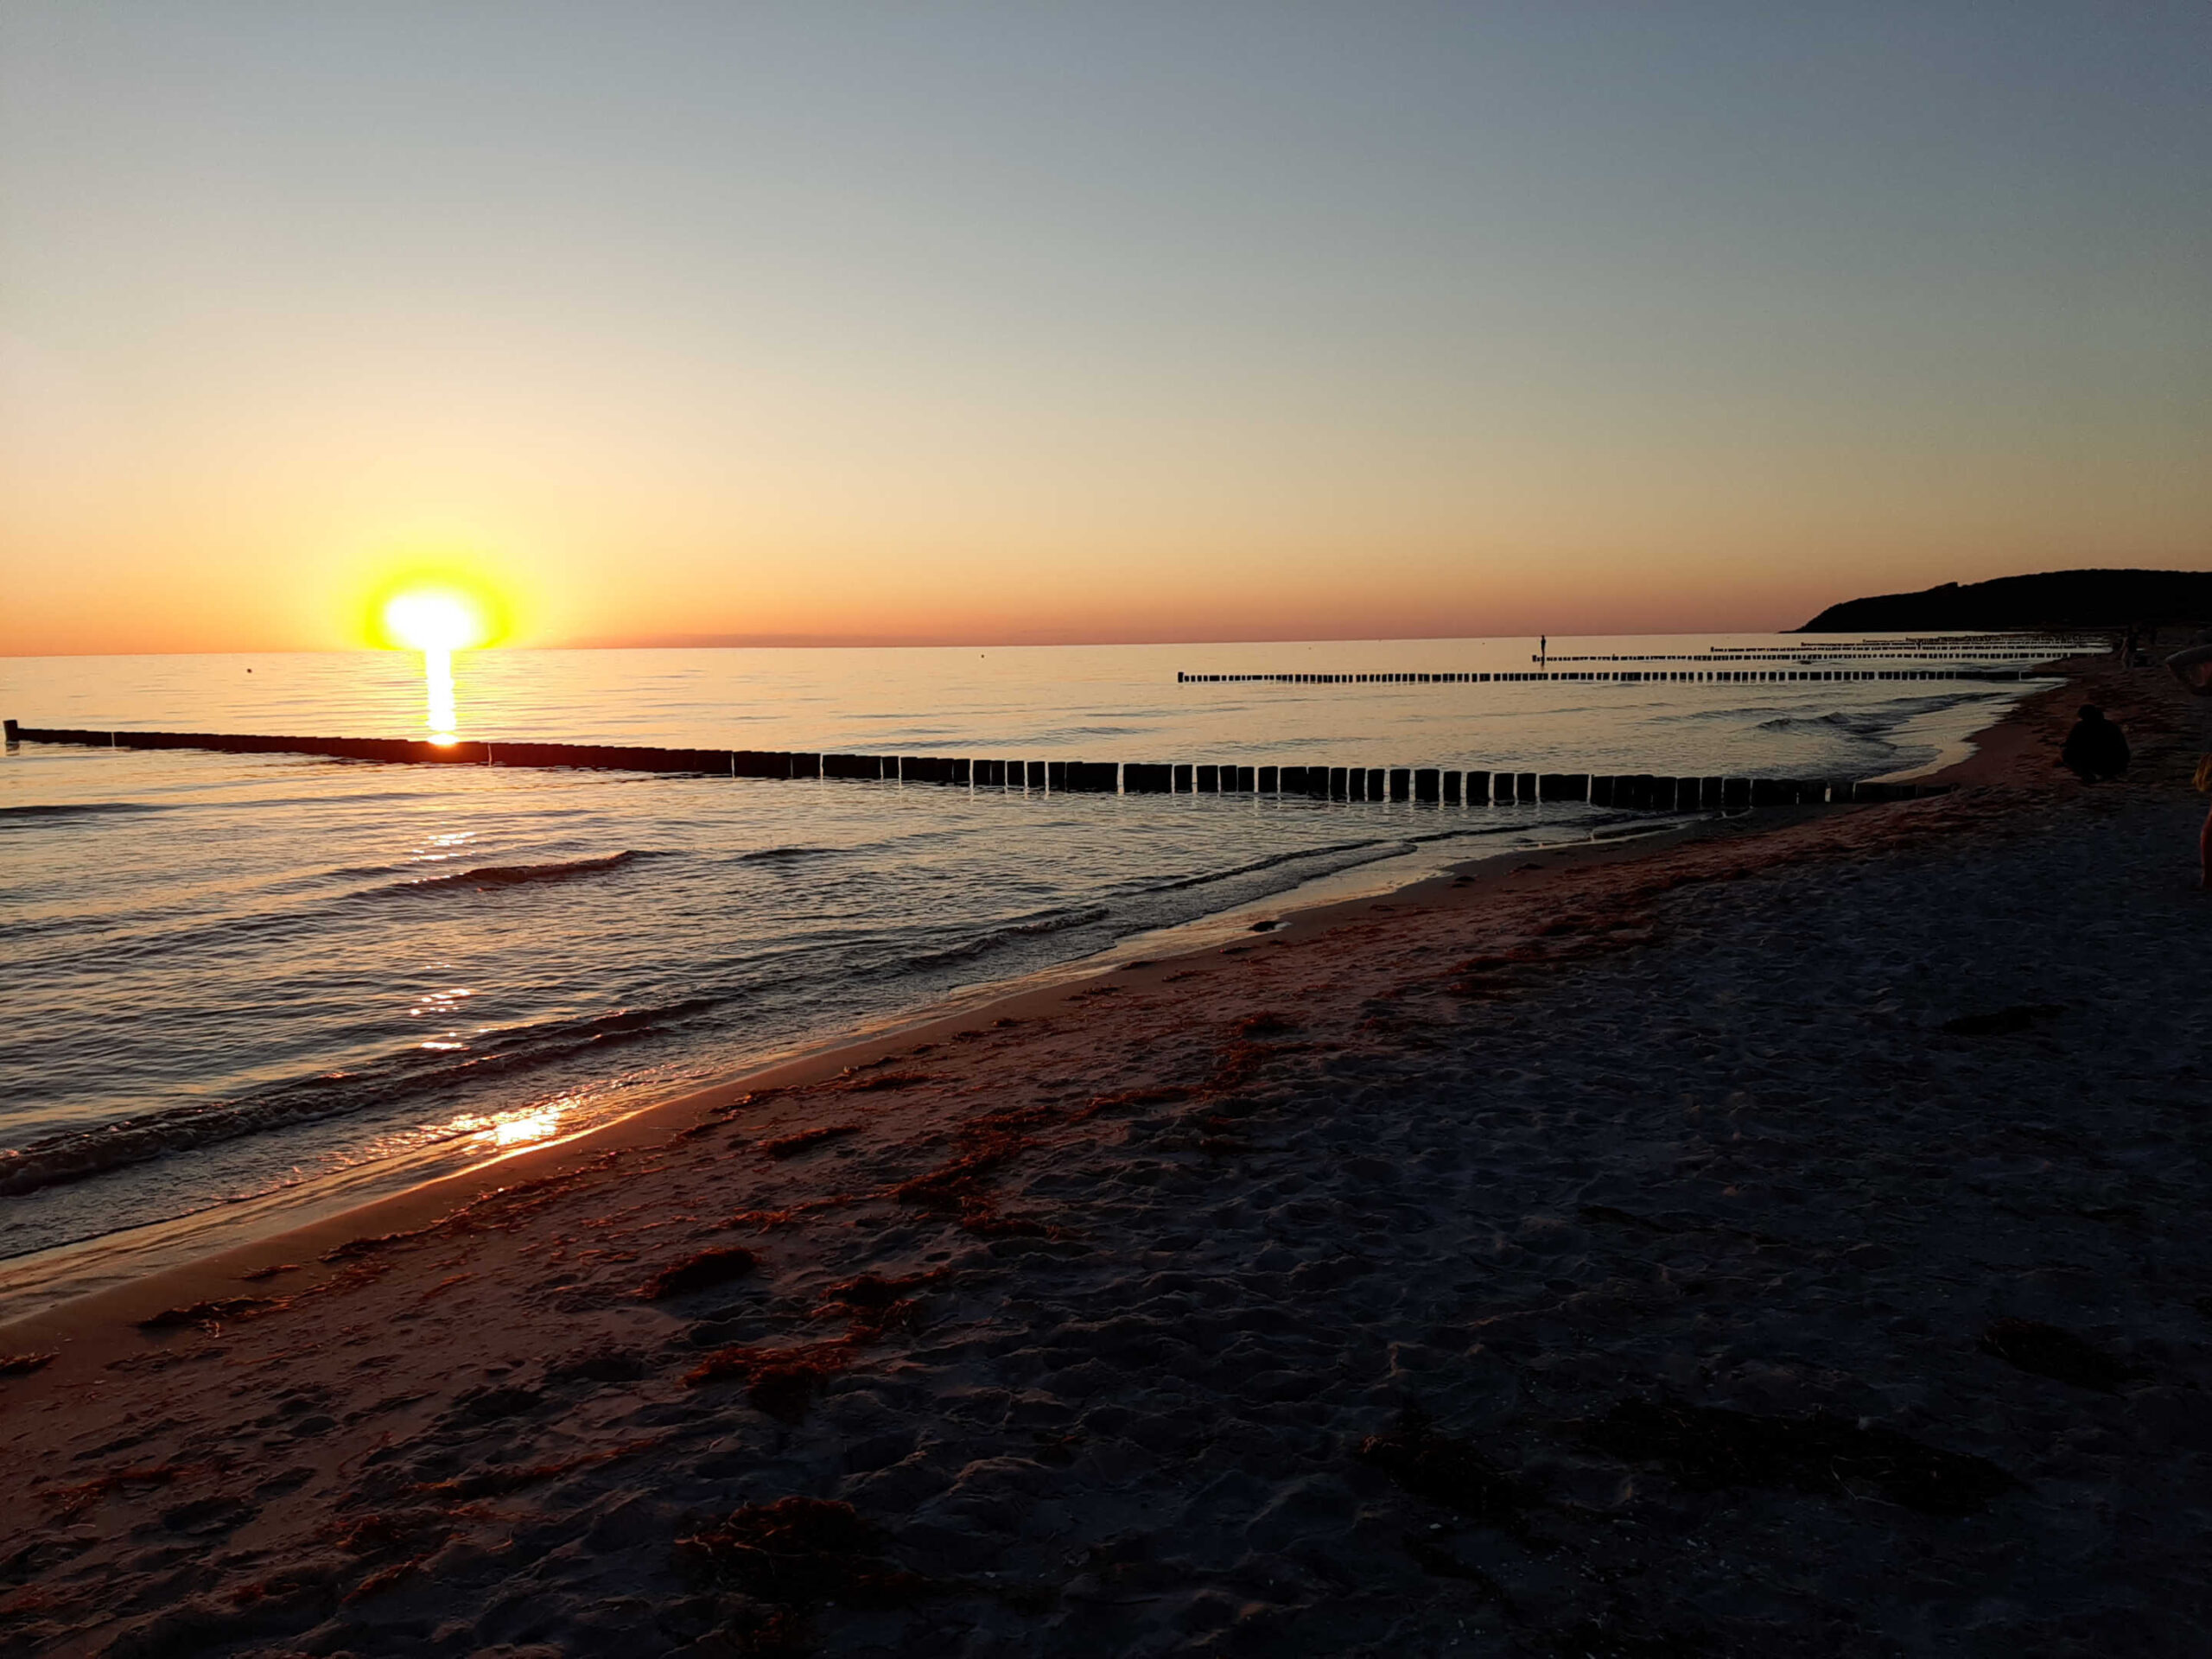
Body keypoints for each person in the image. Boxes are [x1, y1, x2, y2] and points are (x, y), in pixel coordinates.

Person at [2059, 705, 2129, 782]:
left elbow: (2070, 744)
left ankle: (2086, 774)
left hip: (2096, 762)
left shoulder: (2080, 727)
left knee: (2067, 753)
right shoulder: (2111, 726)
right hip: (2116, 763)